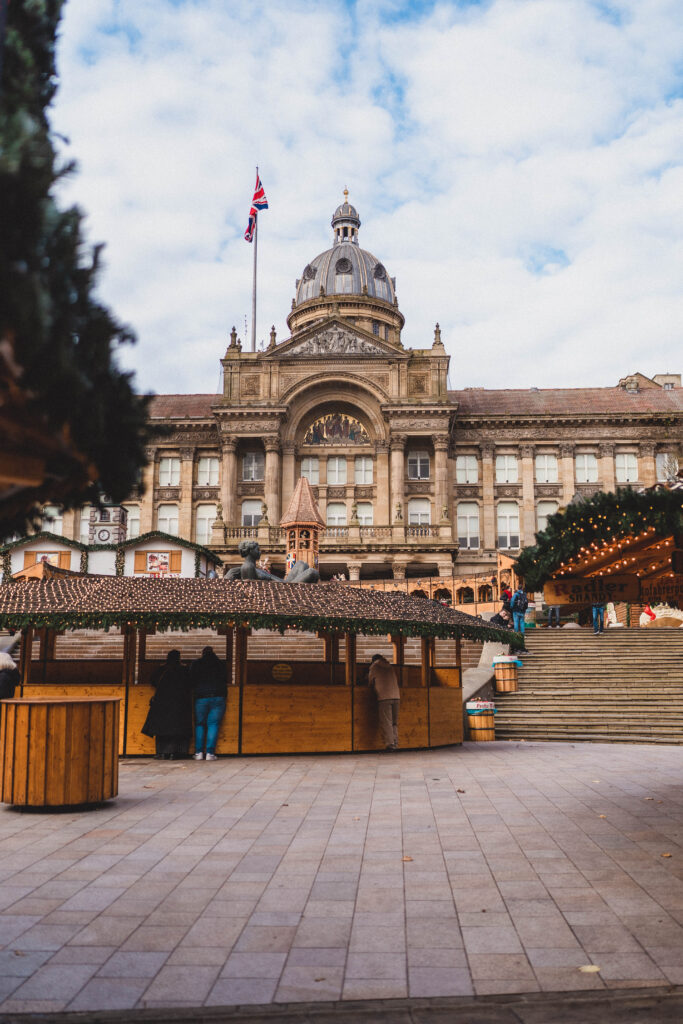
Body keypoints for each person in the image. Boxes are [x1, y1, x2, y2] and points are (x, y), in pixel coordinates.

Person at [143, 650, 193, 759]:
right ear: (179, 658)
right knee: (178, 728)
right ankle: (176, 752)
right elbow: (190, 683)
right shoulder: (184, 670)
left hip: (162, 702)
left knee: (162, 728)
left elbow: (153, 681)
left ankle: (162, 752)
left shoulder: (161, 669)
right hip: (180, 703)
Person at [190, 646, 227, 760]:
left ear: (203, 653)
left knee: (200, 724)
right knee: (213, 724)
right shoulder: (220, 664)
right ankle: (210, 753)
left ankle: (199, 752)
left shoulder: (197, 664)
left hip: (201, 697)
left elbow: (191, 678)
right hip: (218, 696)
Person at [368, 653, 400, 751]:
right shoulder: (390, 666)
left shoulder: (374, 666)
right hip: (397, 697)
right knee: (394, 722)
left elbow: (370, 682)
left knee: (387, 722)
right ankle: (395, 743)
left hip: (384, 698)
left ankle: (390, 745)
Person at [510, 586, 530, 651]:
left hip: (516, 610)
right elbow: (526, 602)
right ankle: (522, 634)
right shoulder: (524, 594)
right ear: (522, 589)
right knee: (522, 622)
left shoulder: (516, 594)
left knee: (516, 622)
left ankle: (516, 634)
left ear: (518, 588)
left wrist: (511, 607)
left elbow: (512, 601)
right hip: (522, 611)